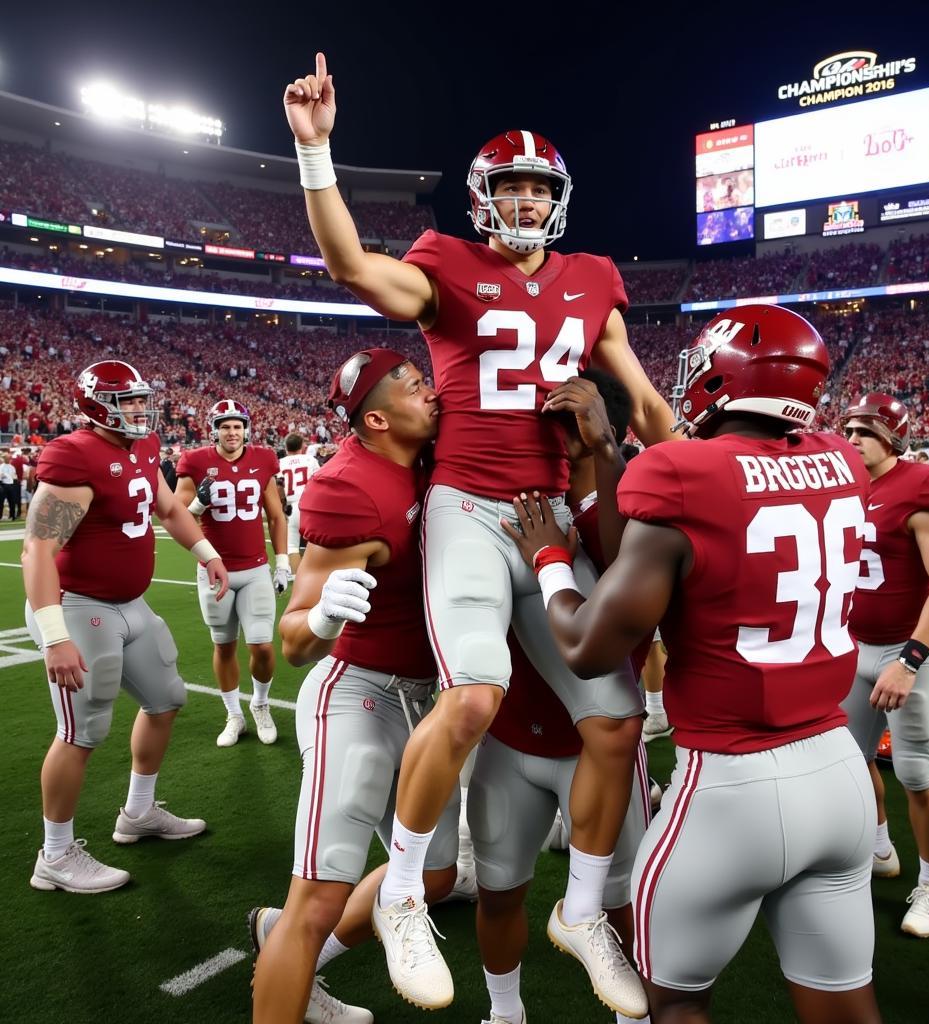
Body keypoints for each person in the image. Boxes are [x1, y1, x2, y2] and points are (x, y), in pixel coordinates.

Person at [284, 53, 676, 1017]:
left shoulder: (594, 279)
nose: (530, 201)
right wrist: (318, 152)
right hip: (466, 505)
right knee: (470, 700)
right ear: (480, 196)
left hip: (548, 514)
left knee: (618, 720)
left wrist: (685, 457)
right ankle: (407, 892)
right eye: (513, 185)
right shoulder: (446, 263)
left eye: (542, 186)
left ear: (561, 197)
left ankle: (583, 911)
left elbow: (644, 398)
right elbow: (348, 265)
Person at [501, 305, 882, 1024]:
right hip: (838, 773)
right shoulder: (843, 457)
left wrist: (550, 558)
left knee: (667, 1006)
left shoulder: (682, 468)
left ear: (721, 376)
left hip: (731, 784)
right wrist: (610, 456)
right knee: (846, 1009)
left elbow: (586, 647)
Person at [250, 349, 459, 1023]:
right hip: (361, 695)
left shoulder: (428, 456)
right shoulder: (348, 486)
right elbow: (292, 643)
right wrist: (322, 611)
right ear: (375, 418)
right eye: (413, 385)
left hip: (428, 700)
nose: (430, 393)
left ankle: (294, 955)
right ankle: (290, 954)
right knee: (317, 896)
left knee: (435, 873)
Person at [471, 369, 652, 1024]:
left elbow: (624, 566)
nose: (552, 434)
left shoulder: (634, 498)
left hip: (596, 742)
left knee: (623, 902)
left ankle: (635, 1015)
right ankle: (504, 1011)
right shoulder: (513, 497)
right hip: (514, 734)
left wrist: (605, 451)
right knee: (497, 892)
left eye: (568, 422)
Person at [22, 360, 229, 893]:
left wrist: (206, 553)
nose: (139, 409)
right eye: (128, 401)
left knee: (166, 698)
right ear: (96, 405)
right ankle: (56, 855)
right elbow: (38, 548)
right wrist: (55, 635)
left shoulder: (144, 445)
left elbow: (168, 507)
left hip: (129, 603)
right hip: (77, 608)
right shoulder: (74, 454)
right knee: (81, 731)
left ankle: (137, 814)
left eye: (141, 399)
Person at [841, 394, 929, 938]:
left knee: (917, 774)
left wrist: (911, 661)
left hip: (914, 648)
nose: (850, 440)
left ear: (892, 436)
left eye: (864, 431)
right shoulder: (840, 484)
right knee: (850, 760)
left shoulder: (922, 485)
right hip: (854, 644)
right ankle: (879, 845)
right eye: (846, 428)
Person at [175, 401, 290, 747]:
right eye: (225, 426)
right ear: (214, 430)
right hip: (214, 571)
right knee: (224, 646)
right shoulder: (195, 461)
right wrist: (198, 505)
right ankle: (233, 714)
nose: (232, 432)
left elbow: (275, 515)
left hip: (254, 568)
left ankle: (259, 703)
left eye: (237, 426)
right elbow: (177, 516)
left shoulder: (263, 458)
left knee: (264, 646)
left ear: (246, 429)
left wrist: (282, 561)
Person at [278, 431, 322, 576]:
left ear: (286, 447)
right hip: (310, 505)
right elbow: (320, 482)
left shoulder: (281, 463)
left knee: (292, 545)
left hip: (291, 505)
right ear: (302, 446)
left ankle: (298, 578)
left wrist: (282, 505)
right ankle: (316, 575)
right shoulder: (310, 460)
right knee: (316, 543)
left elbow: (279, 487)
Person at [0, 448, 18, 520]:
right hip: (3, 485)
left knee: (12, 502)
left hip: (11, 485)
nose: (8, 459)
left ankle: (12, 515)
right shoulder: (1, 467)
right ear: (4, 459)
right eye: (7, 458)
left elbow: (14, 476)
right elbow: (1, 476)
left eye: (9, 458)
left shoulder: (12, 467)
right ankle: (0, 516)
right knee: (1, 502)